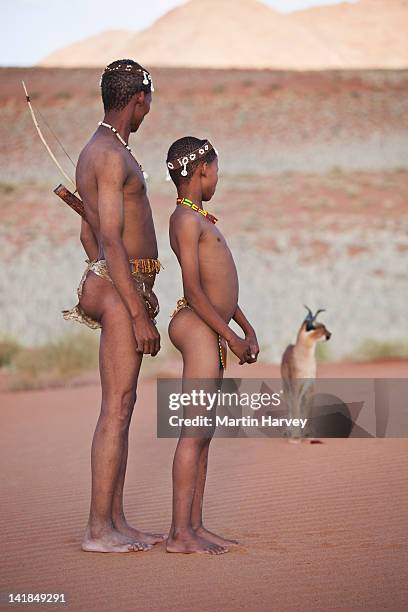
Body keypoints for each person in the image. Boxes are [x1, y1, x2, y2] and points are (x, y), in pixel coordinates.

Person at [62, 59, 164, 553]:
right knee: (116, 409)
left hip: (124, 286)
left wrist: (132, 286)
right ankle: (98, 530)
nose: (148, 110)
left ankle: (116, 520)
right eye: (148, 102)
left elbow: (89, 232)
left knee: (124, 406)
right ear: (138, 99)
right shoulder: (106, 154)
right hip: (122, 290)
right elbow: (112, 242)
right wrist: (134, 307)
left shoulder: (110, 149)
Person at [166, 136, 259, 554]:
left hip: (213, 326)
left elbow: (221, 288)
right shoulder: (186, 220)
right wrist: (231, 337)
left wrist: (246, 326)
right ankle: (178, 534)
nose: (217, 178)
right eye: (216, 170)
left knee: (204, 432)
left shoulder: (202, 218)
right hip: (198, 325)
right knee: (193, 431)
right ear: (202, 170)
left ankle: (195, 526)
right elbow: (194, 289)